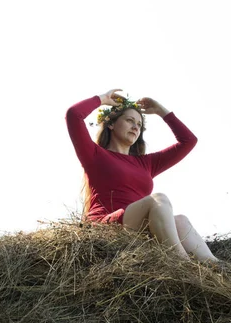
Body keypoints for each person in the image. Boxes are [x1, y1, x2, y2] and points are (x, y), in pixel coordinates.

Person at [66, 89, 219, 262]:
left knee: (181, 221)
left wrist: (162, 112)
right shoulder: (93, 155)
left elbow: (188, 141)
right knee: (158, 198)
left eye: (139, 125)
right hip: (106, 225)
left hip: (138, 226)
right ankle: (182, 263)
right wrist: (102, 99)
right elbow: (73, 115)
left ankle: (218, 268)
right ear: (111, 124)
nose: (135, 127)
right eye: (130, 120)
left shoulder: (146, 163)